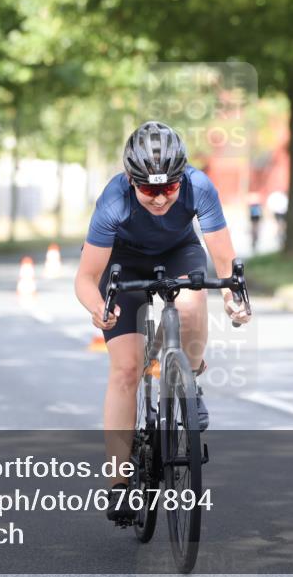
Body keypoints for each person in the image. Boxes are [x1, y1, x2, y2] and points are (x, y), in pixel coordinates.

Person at [74, 121, 251, 523]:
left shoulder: (199, 187)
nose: (158, 198)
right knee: (127, 368)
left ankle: (189, 377)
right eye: (149, 190)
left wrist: (233, 299)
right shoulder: (114, 200)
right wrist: (99, 307)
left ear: (181, 179)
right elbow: (85, 278)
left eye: (168, 188)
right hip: (123, 262)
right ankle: (118, 483)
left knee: (191, 304)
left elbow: (224, 262)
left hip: (178, 252)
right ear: (130, 179)